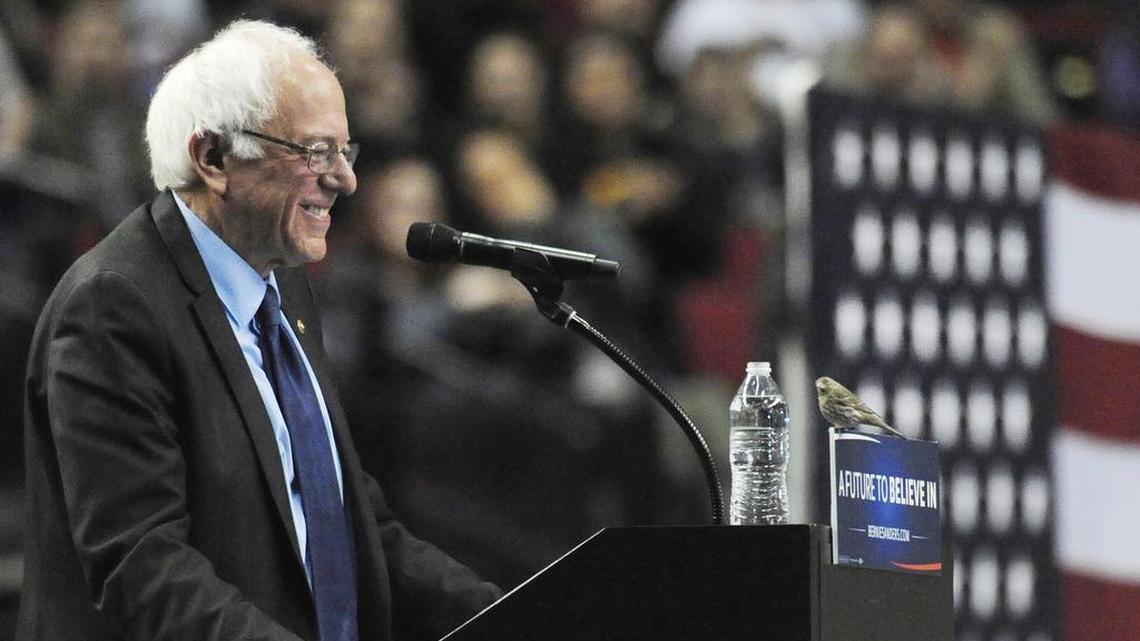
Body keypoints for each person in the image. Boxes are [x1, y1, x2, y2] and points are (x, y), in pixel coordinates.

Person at [19, 19, 501, 641]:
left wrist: (511, 616)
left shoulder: (285, 285)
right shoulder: (112, 307)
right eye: (315, 152)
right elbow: (141, 566)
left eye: (345, 152)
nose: (346, 180)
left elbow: (350, 525)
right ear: (214, 157)